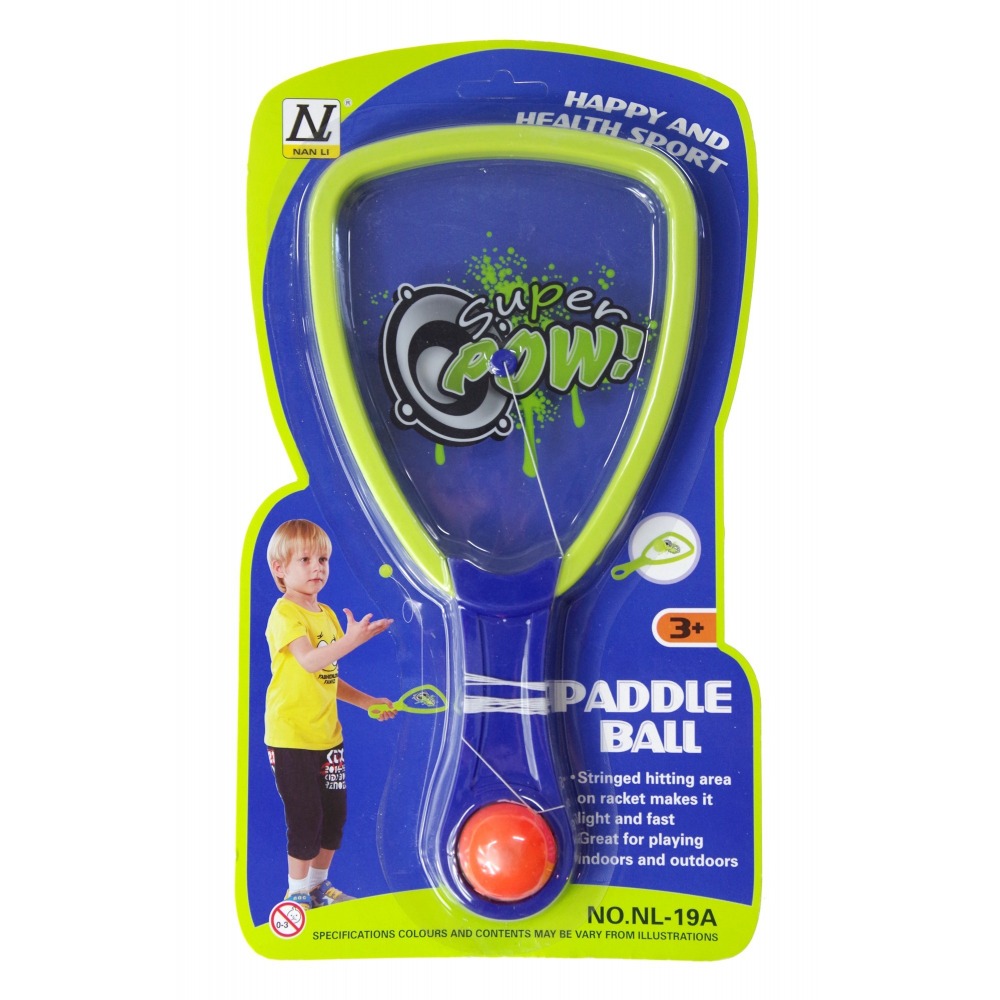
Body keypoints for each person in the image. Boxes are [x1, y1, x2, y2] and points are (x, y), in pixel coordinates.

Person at [264, 518, 396, 910]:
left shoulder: (325, 614)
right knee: (305, 818)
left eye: (322, 559)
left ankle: (318, 887)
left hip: (328, 736)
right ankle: (296, 892)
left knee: (333, 818)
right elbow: (309, 661)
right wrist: (351, 641)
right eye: (305, 560)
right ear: (280, 568)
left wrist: (367, 701)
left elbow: (327, 676)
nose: (317, 568)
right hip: (292, 737)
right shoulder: (285, 615)